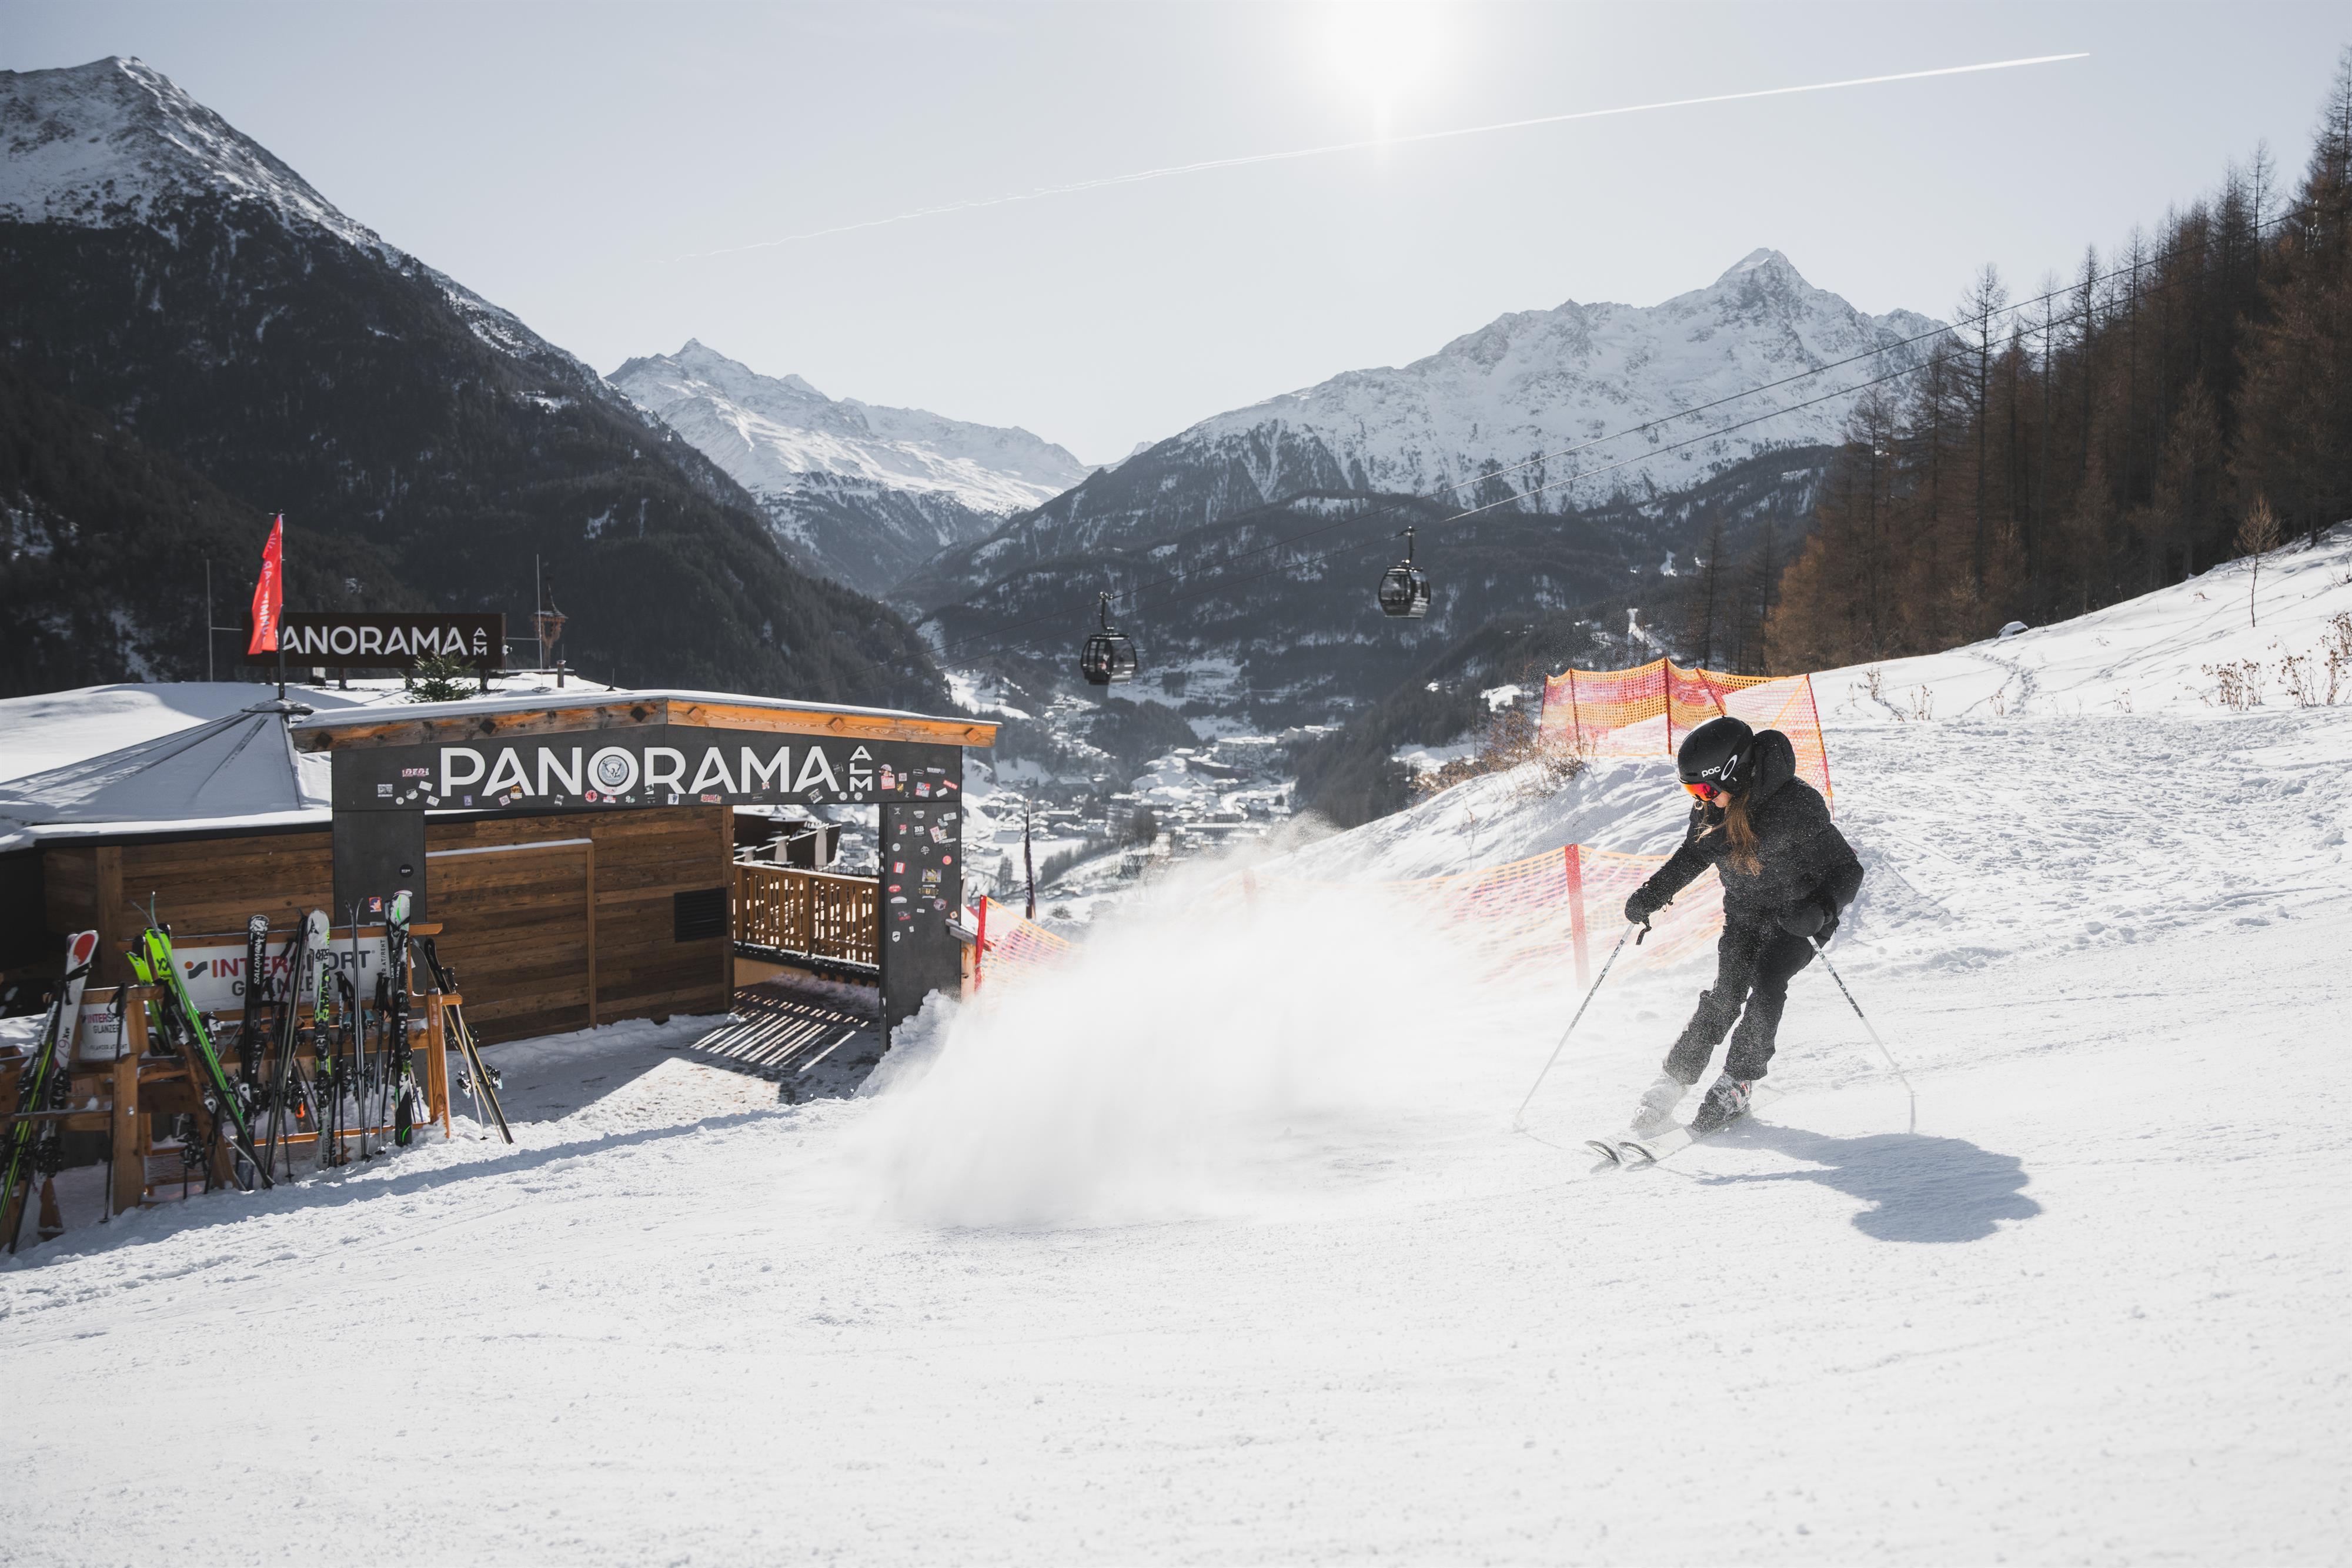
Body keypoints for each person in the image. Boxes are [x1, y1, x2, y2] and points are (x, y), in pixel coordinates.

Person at [1621, 715, 1862, 1136]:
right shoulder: (1711, 808)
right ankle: (1673, 1081)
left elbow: (1848, 869)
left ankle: (1738, 1082)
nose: (1701, 800)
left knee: (1767, 983)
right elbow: (1693, 854)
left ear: (1733, 772)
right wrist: (1652, 894)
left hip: (1798, 918)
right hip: (1746, 913)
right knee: (1726, 994)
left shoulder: (1795, 805)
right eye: (1692, 792)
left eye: (1704, 789)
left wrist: (1822, 908)